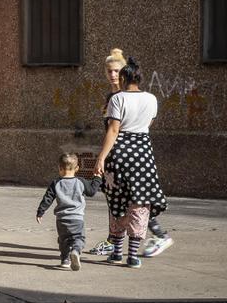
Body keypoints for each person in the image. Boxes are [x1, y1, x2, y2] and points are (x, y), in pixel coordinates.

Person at [92, 48, 174, 257]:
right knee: (132, 196)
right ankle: (115, 242)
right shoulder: (121, 96)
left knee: (127, 198)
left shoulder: (119, 98)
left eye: (116, 71)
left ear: (124, 74)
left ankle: (156, 235)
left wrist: (102, 156)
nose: (112, 75)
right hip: (136, 151)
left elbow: (113, 129)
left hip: (121, 151)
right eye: (108, 70)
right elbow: (146, 123)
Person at [36, 152, 97, 270]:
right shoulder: (81, 181)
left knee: (64, 241)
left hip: (61, 220)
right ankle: (76, 251)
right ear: (77, 168)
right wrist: (97, 178)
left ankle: (65, 260)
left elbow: (47, 198)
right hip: (77, 219)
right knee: (79, 238)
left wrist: (40, 212)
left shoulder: (56, 183)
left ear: (59, 168)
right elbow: (92, 191)